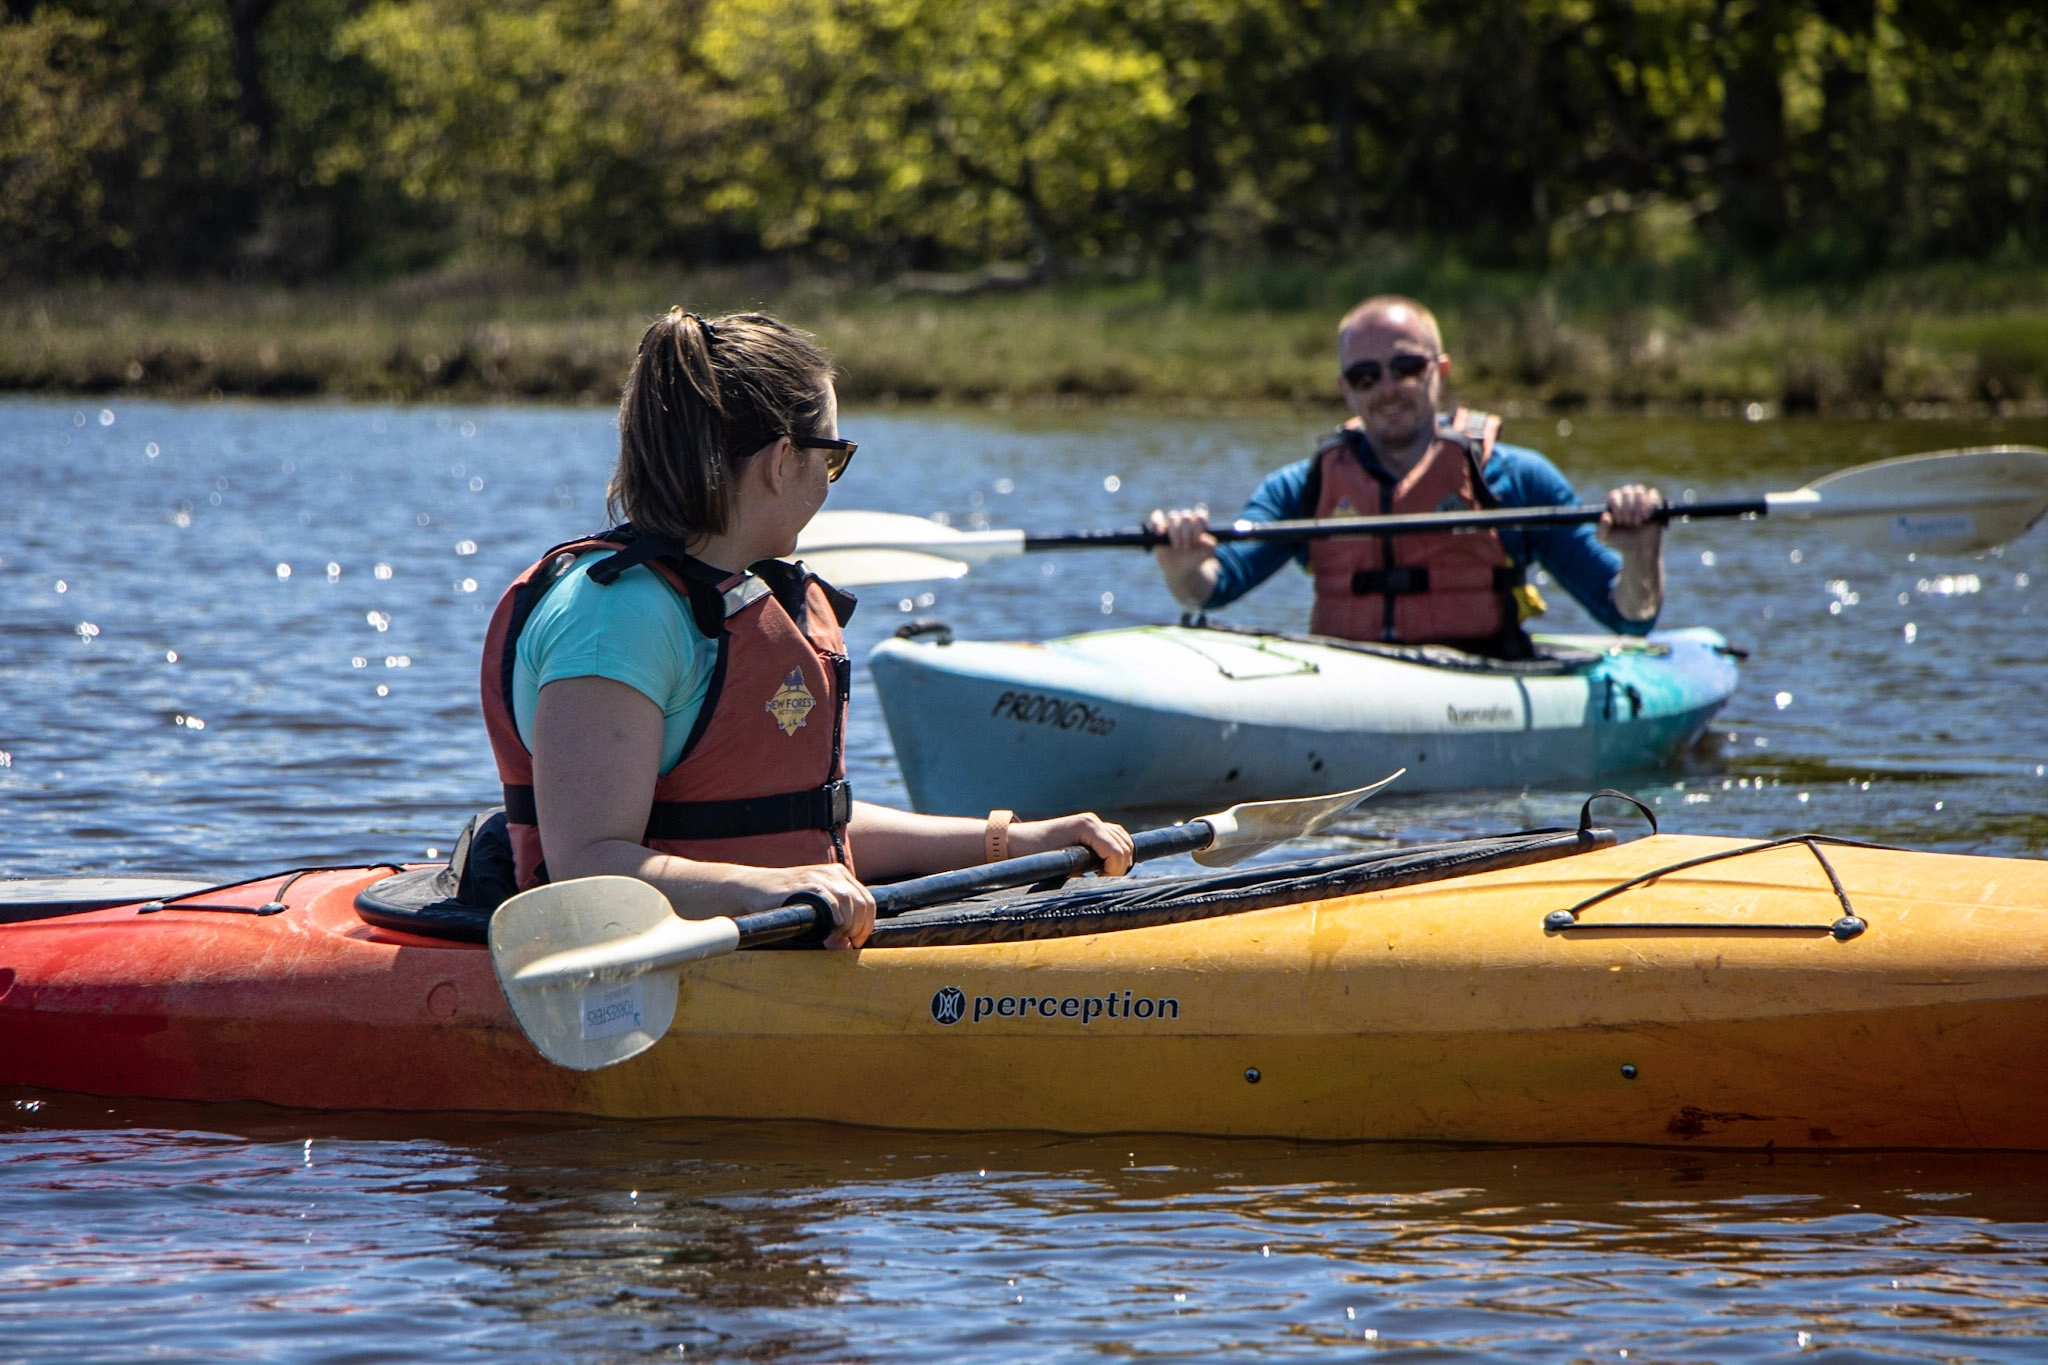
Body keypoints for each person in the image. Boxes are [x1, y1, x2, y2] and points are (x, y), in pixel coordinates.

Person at [481, 308, 1133, 950]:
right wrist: (765, 887)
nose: (832, 479)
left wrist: (1010, 841)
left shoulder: (734, 592)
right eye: (834, 455)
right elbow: (588, 864)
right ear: (782, 460)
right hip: (623, 972)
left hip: (761, 940)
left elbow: (804, 821)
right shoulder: (616, 619)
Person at [1150, 295, 1665, 656]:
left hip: (1479, 676)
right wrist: (1182, 566)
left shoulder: (1520, 479)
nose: (1387, 388)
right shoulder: (1301, 488)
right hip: (1352, 676)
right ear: (1346, 389)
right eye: (1366, 376)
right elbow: (1211, 589)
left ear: (1439, 372)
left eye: (1406, 368)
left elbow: (1629, 616)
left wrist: (1642, 552)